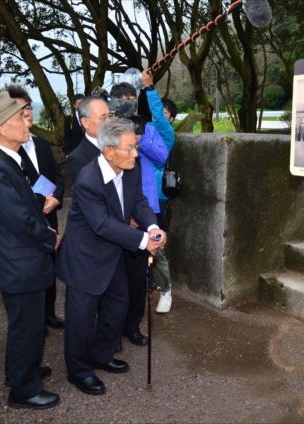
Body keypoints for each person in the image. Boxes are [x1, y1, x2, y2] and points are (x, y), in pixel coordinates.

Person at [56, 118, 165, 396]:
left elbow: (138, 201)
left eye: (135, 147)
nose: (136, 154)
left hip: (112, 252)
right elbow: (102, 224)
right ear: (109, 151)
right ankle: (79, 371)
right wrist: (144, 242)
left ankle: (101, 355)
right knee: (81, 317)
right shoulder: (88, 181)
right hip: (85, 257)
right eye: (130, 148)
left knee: (118, 303)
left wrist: (152, 227)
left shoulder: (130, 167)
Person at [0, 91, 60, 410]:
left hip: (26, 258)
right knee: (25, 326)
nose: (26, 123)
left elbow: (32, 192)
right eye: (17, 119)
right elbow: (20, 220)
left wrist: (48, 198)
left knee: (32, 323)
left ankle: (25, 370)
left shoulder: (14, 157)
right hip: (18, 261)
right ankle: (23, 390)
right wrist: (49, 237)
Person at [110, 78, 168, 345]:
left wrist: (140, 138)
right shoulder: (108, 132)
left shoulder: (149, 129)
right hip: (115, 212)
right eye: (124, 102)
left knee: (138, 275)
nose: (130, 107)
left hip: (145, 207)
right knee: (113, 274)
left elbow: (161, 156)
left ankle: (132, 325)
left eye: (133, 101)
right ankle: (110, 326)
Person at [7, 85, 66, 330]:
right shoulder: (9, 150)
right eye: (21, 110)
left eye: (29, 108)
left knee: (48, 266)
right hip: (26, 221)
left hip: (48, 215)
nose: (27, 113)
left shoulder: (41, 145)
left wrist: (56, 198)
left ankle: (49, 313)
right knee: (32, 271)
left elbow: (58, 176)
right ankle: (35, 321)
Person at [154, 96, 178, 313]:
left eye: (165, 114)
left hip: (156, 199)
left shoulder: (166, 135)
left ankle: (165, 290)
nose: (160, 116)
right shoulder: (142, 130)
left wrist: (150, 91)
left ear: (170, 120)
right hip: (136, 198)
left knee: (157, 245)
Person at [67, 96, 112, 186]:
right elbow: (87, 195)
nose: (109, 122)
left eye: (110, 116)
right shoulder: (77, 158)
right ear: (85, 122)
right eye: (103, 118)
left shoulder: (119, 145)